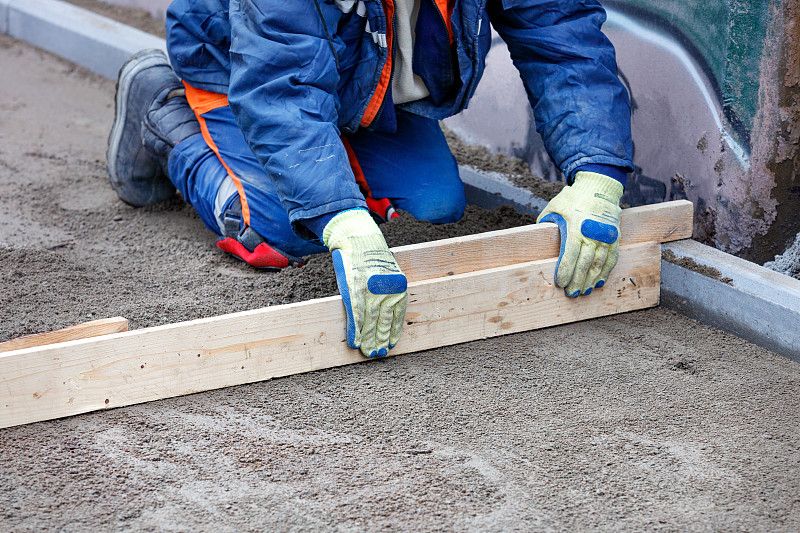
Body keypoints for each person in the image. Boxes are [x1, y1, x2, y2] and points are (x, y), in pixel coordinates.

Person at [107, 0, 633, 359]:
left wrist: (597, 174)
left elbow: (560, 34)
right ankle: (165, 112)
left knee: (433, 208)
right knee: (286, 228)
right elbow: (280, 87)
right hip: (241, 68)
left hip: (361, 73)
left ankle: (336, 149)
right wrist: (340, 217)